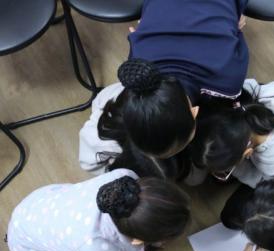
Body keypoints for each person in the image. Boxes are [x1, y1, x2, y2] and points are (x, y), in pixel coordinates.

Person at [79, 0, 249, 174]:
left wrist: (233, 25)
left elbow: (237, 36)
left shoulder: (228, 80)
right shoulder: (139, 61)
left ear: (194, 112)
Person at [7, 169, 190, 251]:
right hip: (29, 248)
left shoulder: (126, 178)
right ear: (138, 240)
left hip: (39, 205)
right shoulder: (94, 250)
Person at [190, 78, 274, 222]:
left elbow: (260, 180)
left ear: (247, 153)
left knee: (231, 217)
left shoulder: (273, 166)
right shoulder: (245, 96)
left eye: (228, 169)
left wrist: (238, 170)